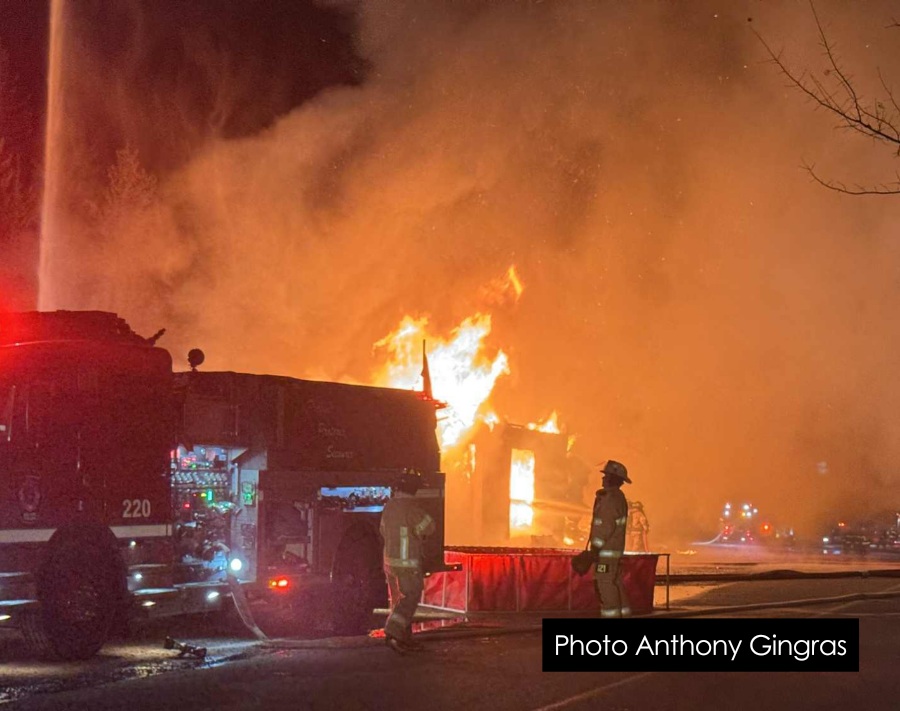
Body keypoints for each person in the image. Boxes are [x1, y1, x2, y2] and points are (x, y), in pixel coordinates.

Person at [380, 468, 435, 655]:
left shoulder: (390, 506)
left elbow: (382, 530)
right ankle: (393, 633)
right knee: (410, 599)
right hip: (407, 564)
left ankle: (405, 638)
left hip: (389, 563)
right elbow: (428, 528)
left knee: (399, 600)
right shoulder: (411, 508)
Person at [589, 460, 632, 618]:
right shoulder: (617, 497)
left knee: (605, 584)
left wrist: (595, 548)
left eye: (606, 476)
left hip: (605, 554)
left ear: (614, 479)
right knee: (616, 583)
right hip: (612, 552)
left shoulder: (611, 499)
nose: (603, 479)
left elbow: (605, 527)